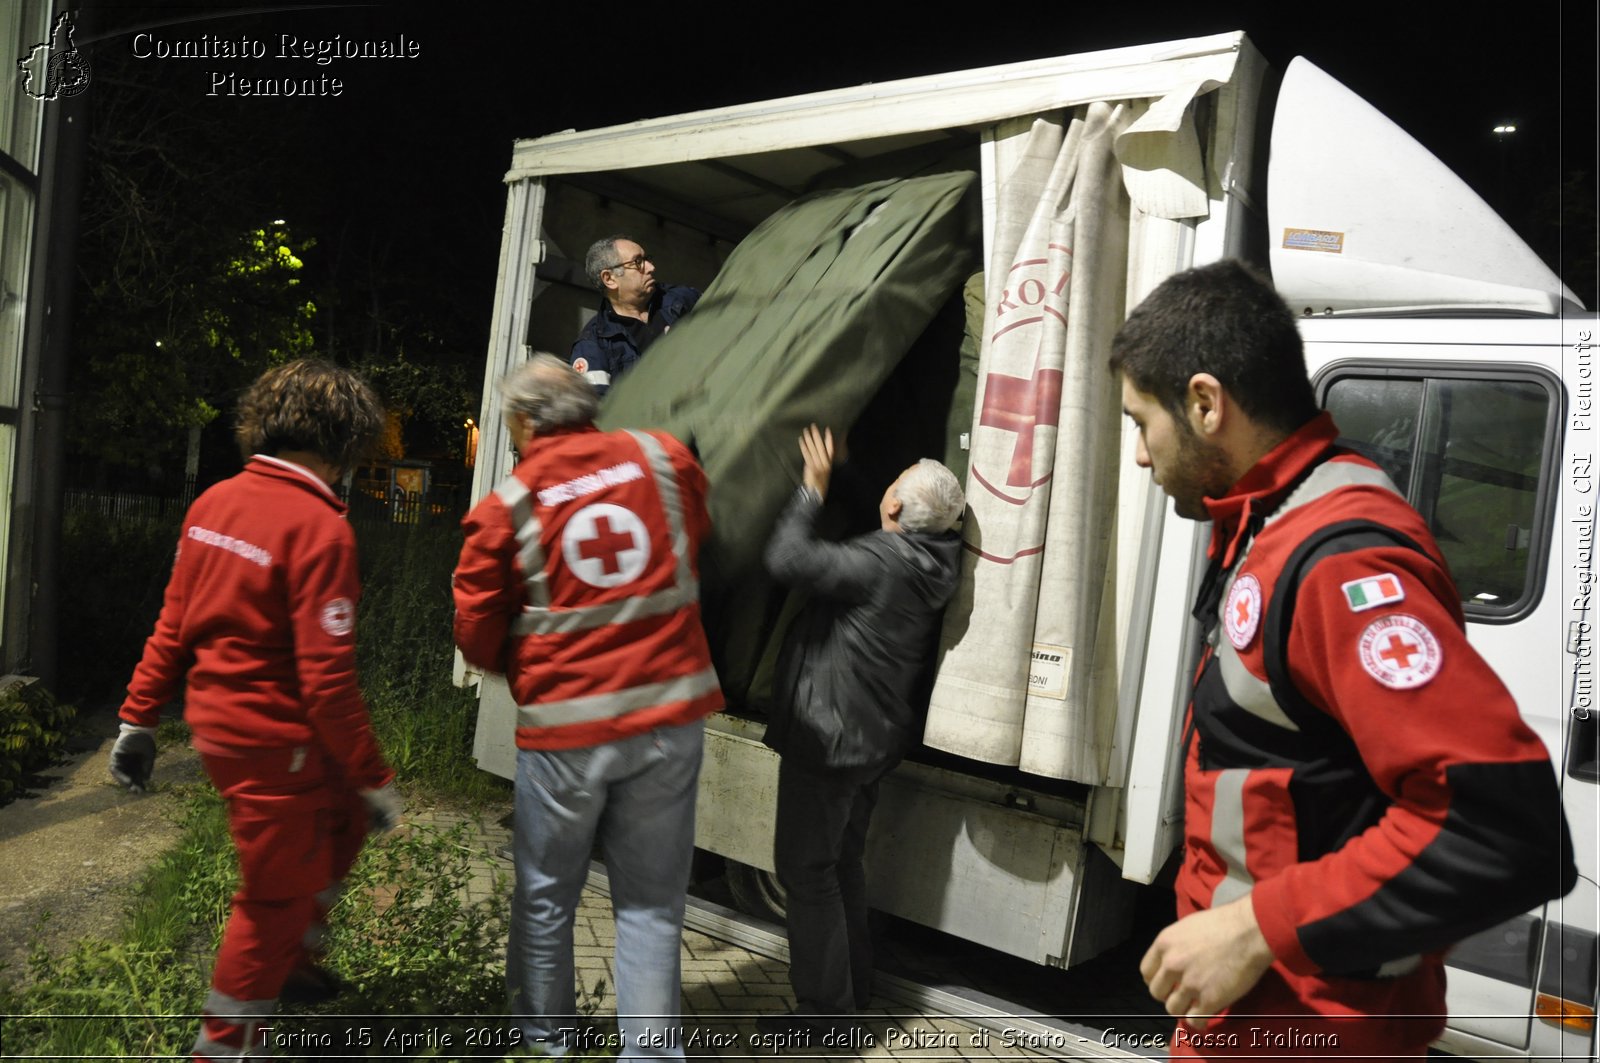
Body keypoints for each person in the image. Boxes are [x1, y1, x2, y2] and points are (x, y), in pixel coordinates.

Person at [1112, 260, 1576, 1057]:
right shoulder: (1272, 514)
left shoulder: (1339, 562)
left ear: (1204, 402)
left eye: (1140, 422)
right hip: (1254, 1017)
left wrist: (1257, 928)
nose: (1142, 456)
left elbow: (1501, 832)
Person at [109, 359, 402, 1062]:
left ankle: (295, 956)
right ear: (344, 442)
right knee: (270, 897)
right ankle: (226, 1046)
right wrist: (374, 773)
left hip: (223, 727)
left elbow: (173, 621)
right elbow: (327, 683)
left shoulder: (214, 503)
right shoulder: (321, 530)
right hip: (280, 741)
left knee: (343, 818)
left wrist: (137, 719)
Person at [452, 353, 722, 1059]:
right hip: (669, 717)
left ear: (520, 421)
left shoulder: (505, 508)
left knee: (545, 900)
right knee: (653, 904)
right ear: (589, 405)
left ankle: (545, 1045)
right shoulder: (664, 458)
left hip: (567, 734)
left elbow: (477, 638)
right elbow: (696, 542)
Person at [757, 425, 964, 1044]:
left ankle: (825, 1017)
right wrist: (844, 470)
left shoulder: (881, 561)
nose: (887, 487)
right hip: (871, 740)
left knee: (804, 870)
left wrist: (811, 490)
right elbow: (884, 524)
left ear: (895, 507)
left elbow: (787, 560)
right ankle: (853, 991)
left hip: (831, 738)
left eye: (893, 485)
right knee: (840, 862)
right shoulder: (931, 561)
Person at [569, 234, 700, 394]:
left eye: (647, 259)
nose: (651, 267)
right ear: (609, 278)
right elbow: (594, 409)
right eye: (638, 262)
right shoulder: (593, 346)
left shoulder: (683, 300)